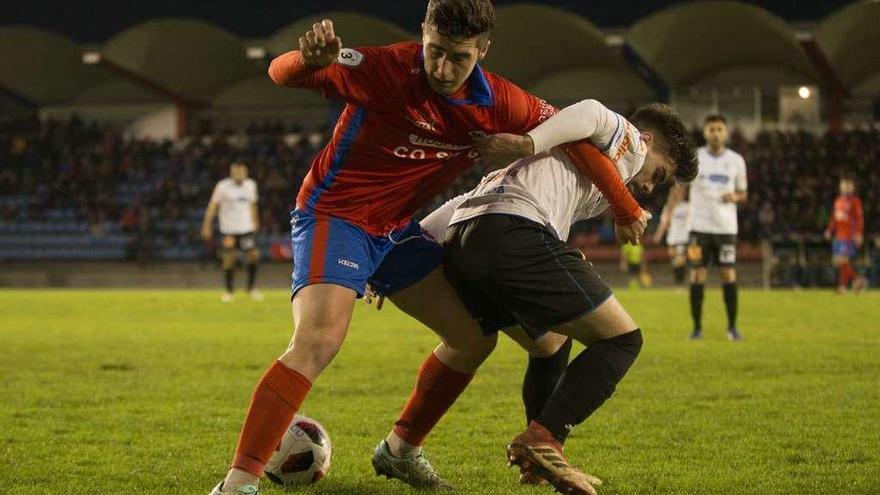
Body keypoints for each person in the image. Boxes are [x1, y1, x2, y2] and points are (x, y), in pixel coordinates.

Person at [208, 2, 648, 493]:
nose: (441, 69)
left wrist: (624, 206)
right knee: (318, 340)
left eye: (458, 58)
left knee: (473, 340)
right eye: (434, 51)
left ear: (482, 50)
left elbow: (579, 136)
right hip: (336, 216)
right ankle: (237, 484)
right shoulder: (385, 68)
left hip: (397, 231)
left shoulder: (498, 100)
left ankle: (399, 451)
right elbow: (281, 72)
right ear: (423, 32)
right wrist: (309, 60)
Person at [369, 100, 697, 494]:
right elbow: (592, 111)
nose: (649, 187)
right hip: (512, 231)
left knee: (549, 344)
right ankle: (544, 439)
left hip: (467, 238)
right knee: (624, 339)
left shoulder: (580, 172)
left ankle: (530, 452)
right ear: (645, 139)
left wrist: (398, 252)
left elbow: (465, 202)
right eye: (658, 175)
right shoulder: (628, 142)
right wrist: (530, 142)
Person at [663, 114, 747, 341]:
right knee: (697, 275)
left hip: (726, 229)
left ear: (726, 133)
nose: (716, 133)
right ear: (705, 132)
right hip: (697, 229)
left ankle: (732, 328)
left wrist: (736, 197)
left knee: (728, 274)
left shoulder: (737, 160)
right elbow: (680, 189)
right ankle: (697, 329)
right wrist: (669, 214)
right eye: (712, 129)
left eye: (720, 129)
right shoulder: (695, 157)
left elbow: (743, 193)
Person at [201, 162, 262, 302]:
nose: (239, 175)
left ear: (245, 172)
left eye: (241, 172)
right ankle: (229, 291)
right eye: (236, 172)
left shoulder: (251, 185)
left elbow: (253, 205)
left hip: (246, 228)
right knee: (229, 258)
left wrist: (256, 222)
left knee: (253, 255)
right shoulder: (222, 186)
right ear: (231, 173)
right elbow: (213, 206)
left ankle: (251, 288)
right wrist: (206, 225)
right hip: (228, 229)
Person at [824, 177, 865, 293]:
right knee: (839, 262)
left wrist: (859, 233)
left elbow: (859, 218)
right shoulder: (838, 201)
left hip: (849, 236)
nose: (846, 188)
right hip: (838, 236)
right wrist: (829, 230)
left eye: (848, 186)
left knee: (842, 260)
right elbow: (835, 218)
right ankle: (853, 282)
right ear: (840, 187)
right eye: (844, 186)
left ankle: (846, 285)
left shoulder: (855, 201)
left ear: (852, 188)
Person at [653, 186, 690, 286]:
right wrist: (658, 234)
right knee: (675, 261)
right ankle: (679, 280)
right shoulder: (668, 208)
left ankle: (680, 282)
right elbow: (663, 223)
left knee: (680, 260)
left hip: (683, 238)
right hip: (672, 238)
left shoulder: (687, 207)